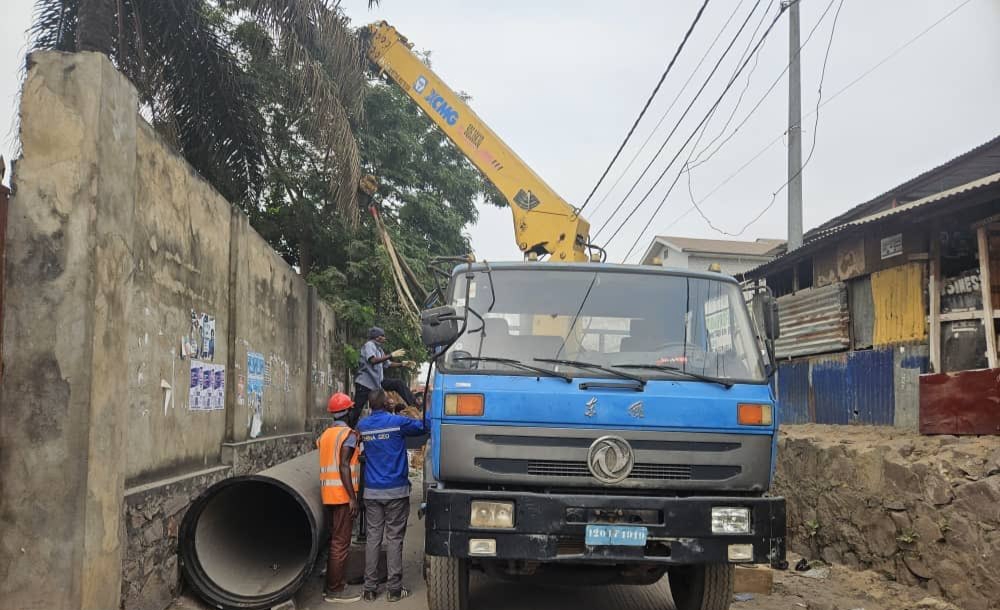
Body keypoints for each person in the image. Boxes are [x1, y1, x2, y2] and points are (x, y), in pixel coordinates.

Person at [357, 390, 428, 602]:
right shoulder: (398, 423)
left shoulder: (363, 426)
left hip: (372, 492)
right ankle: (394, 590)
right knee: (395, 538)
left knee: (373, 538)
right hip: (396, 490)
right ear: (387, 403)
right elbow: (424, 426)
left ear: (370, 405)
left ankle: (369, 589)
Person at [317, 392, 362, 603]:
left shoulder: (325, 435)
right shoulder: (350, 435)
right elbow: (344, 464)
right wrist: (353, 498)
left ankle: (332, 584)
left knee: (334, 540)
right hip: (343, 496)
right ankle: (335, 590)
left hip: (328, 495)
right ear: (349, 411)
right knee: (340, 543)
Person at [352, 327, 417, 426]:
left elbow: (387, 364)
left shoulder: (379, 349)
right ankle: (348, 428)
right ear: (377, 337)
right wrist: (391, 355)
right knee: (357, 409)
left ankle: (413, 404)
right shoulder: (369, 345)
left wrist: (402, 364)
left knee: (398, 383)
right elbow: (373, 360)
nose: (384, 338)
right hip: (365, 383)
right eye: (382, 336)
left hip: (377, 383)